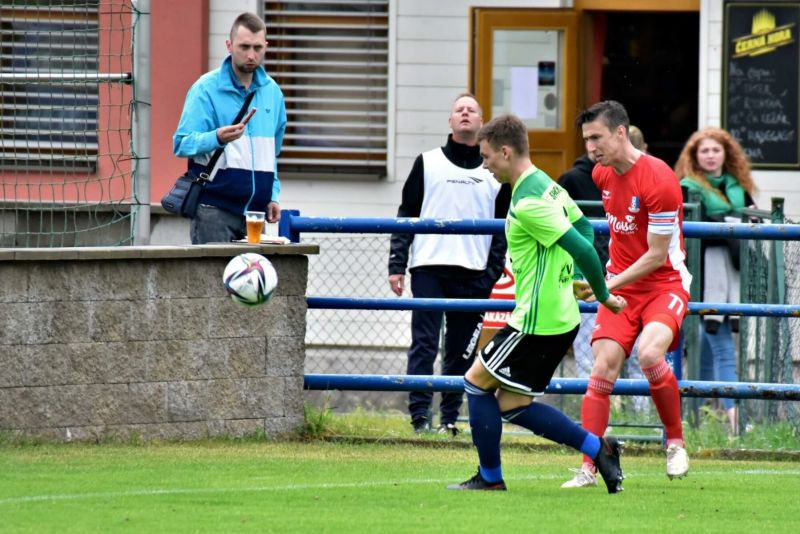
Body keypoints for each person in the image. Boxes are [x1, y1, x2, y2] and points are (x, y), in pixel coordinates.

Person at [447, 113, 626, 493]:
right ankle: (600, 448)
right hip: (558, 316)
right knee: (512, 403)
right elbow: (582, 226)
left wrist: (604, 292)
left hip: (534, 321)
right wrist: (570, 280)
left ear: (506, 151)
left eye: (487, 156)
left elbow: (582, 244)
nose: (486, 165)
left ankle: (490, 479)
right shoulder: (547, 184)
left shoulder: (528, 201)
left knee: (476, 384)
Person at [562, 101, 692, 489]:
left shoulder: (660, 179)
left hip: (664, 282)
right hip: (621, 283)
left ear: (621, 132)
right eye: (586, 139)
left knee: (650, 353)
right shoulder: (602, 175)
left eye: (597, 137)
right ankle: (589, 465)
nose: (590, 146)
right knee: (602, 368)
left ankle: (675, 441)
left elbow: (655, 255)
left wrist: (604, 287)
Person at [388, 93, 510, 436]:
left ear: (481, 121)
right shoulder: (426, 162)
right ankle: (419, 417)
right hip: (428, 267)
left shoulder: (494, 171)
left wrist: (492, 273)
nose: (466, 113)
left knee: (460, 352)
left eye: (472, 109)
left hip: (474, 274)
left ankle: (450, 419)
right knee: (424, 346)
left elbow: (503, 228)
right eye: (460, 109)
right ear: (450, 120)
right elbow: (406, 215)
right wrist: (397, 263)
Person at [173, 12, 287, 244]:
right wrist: (217, 137)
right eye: (244, 46)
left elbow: (271, 153)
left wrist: (273, 195)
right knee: (213, 281)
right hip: (214, 210)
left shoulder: (273, 92)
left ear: (266, 46)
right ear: (229, 45)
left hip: (255, 215)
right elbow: (181, 143)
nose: (251, 55)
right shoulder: (205, 88)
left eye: (257, 48)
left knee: (251, 282)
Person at [674, 127, 757, 434]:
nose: (710, 156)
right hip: (701, 281)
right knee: (719, 348)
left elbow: (752, 222)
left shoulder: (738, 188)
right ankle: (737, 418)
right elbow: (683, 229)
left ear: (727, 154)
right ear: (695, 157)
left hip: (731, 278)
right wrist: (724, 225)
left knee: (708, 351)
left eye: (715, 150)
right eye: (704, 151)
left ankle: (696, 419)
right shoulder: (686, 187)